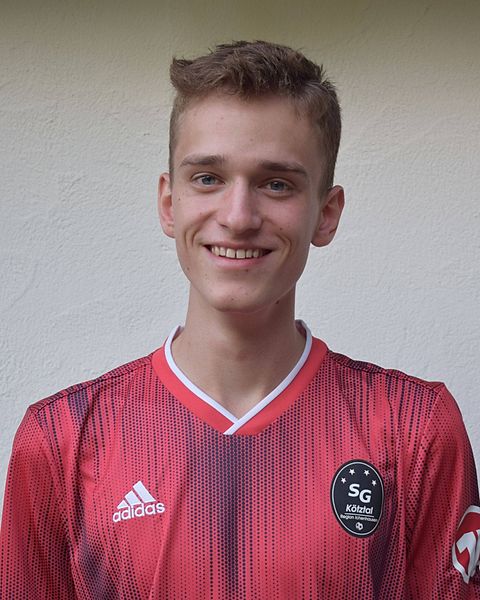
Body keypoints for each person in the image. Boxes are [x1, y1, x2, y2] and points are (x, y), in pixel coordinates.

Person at [1, 40, 479, 600]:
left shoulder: (415, 429)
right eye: (208, 178)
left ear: (326, 215)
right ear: (169, 203)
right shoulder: (61, 440)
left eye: (276, 184)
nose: (238, 216)